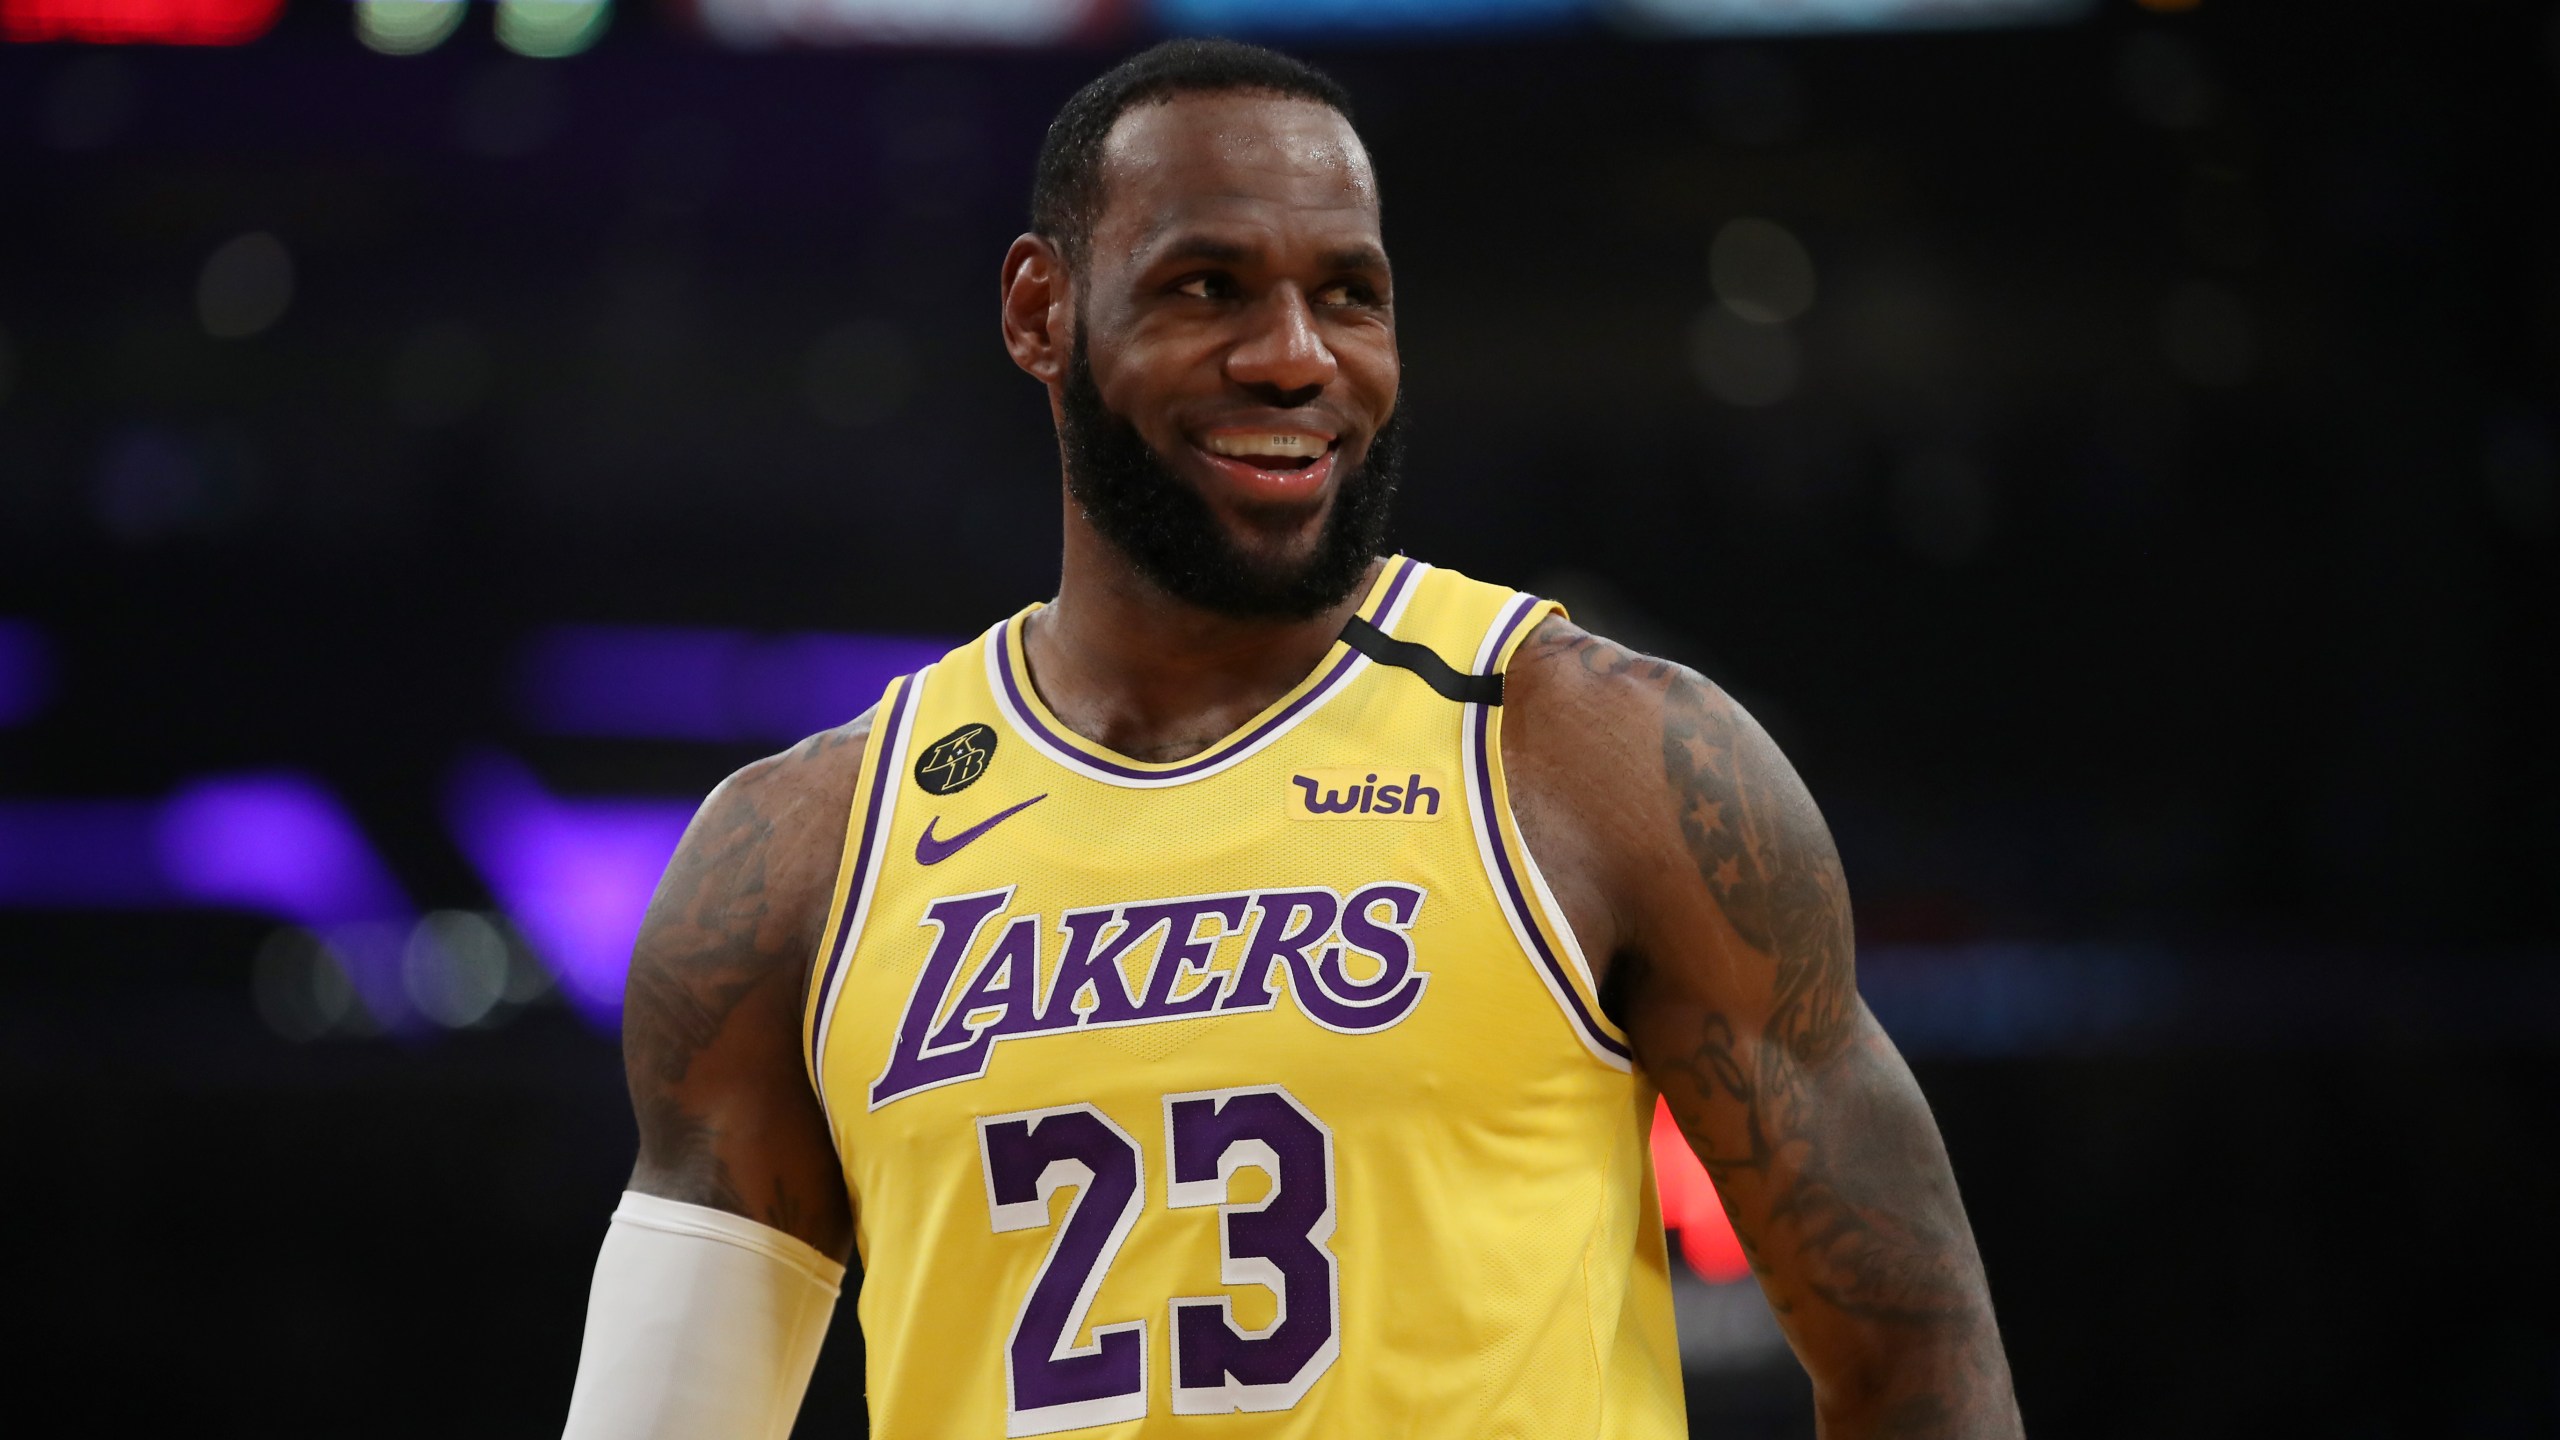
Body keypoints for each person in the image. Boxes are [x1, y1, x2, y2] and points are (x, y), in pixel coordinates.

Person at [561, 37, 2022, 1440]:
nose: (1295, 356)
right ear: (1040, 311)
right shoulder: (806, 854)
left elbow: (1925, 1371)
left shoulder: (1593, 756)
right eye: (1209, 286)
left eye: (1351, 294)